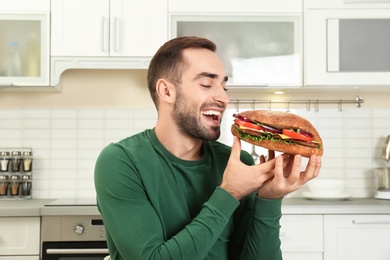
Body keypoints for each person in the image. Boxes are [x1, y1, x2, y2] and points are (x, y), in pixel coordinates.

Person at [94, 36, 322, 260]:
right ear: (166, 91)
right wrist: (229, 192)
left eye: (224, 86)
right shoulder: (121, 161)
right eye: (206, 84)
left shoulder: (238, 164)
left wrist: (270, 199)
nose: (223, 97)